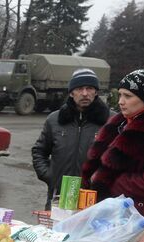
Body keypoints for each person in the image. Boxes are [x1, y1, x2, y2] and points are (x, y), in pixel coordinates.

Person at [82, 69, 144, 223]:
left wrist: (106, 181)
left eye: (128, 96)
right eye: (120, 94)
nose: (121, 101)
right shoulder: (119, 123)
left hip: (142, 218)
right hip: (109, 212)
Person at [32, 68, 111, 210]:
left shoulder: (111, 121)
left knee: (88, 232)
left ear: (96, 91)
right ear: (71, 92)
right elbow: (39, 151)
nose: (85, 93)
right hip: (59, 196)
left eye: (90, 88)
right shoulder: (54, 119)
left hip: (94, 199)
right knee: (55, 232)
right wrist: (50, 176)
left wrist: (101, 182)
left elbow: (118, 160)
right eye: (80, 88)